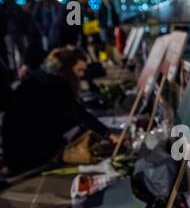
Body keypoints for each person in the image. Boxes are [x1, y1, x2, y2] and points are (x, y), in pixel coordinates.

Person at [2, 46, 119, 174]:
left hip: (14, 147)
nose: (82, 75)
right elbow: (80, 114)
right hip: (26, 149)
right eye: (79, 70)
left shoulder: (42, 75)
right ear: (68, 68)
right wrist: (109, 134)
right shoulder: (56, 84)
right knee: (76, 129)